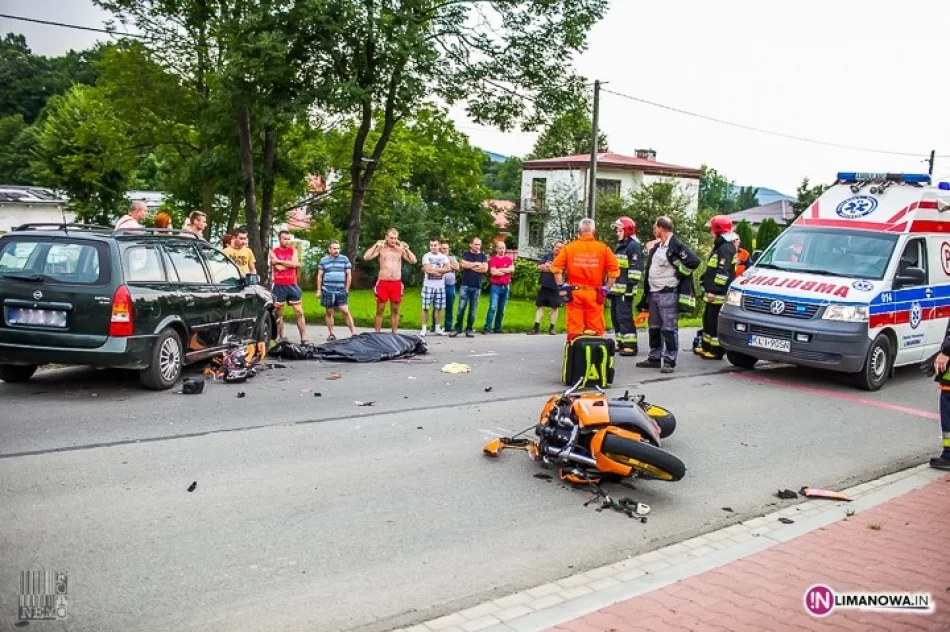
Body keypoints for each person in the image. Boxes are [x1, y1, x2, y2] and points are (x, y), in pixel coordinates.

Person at [636, 216, 700, 373]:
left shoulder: (676, 245)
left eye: (655, 227)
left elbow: (694, 262)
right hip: (653, 293)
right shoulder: (659, 246)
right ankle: (654, 357)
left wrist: (679, 273)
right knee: (654, 327)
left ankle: (669, 360)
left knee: (669, 328)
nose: (654, 230)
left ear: (661, 228)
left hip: (667, 293)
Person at [549, 218, 620, 342]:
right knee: (595, 328)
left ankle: (575, 355)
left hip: (574, 293)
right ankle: (595, 355)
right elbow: (614, 271)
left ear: (579, 231)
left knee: (574, 329)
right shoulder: (603, 249)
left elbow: (556, 268)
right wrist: (606, 288)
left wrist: (561, 286)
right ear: (594, 231)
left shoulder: (569, 248)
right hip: (595, 293)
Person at [697, 215, 738, 360]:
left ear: (718, 230)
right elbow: (713, 268)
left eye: (711, 230)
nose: (710, 233)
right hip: (712, 292)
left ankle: (716, 351)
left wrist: (713, 291)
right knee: (707, 320)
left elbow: (723, 273)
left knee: (714, 322)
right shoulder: (721, 246)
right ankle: (707, 347)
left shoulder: (725, 248)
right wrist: (704, 279)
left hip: (718, 294)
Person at [362, 228, 417, 333]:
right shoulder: (381, 249)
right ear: (386, 237)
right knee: (380, 309)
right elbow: (366, 257)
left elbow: (413, 260)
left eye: (395, 238)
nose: (393, 240)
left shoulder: (400, 250)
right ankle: (376, 334)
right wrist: (375, 245)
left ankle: (394, 334)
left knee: (395, 310)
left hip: (396, 283)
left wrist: (406, 249)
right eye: (391, 238)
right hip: (383, 282)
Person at [607, 216, 643, 356]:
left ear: (627, 230)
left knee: (625, 317)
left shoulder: (633, 246)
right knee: (616, 317)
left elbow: (635, 269)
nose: (617, 233)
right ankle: (621, 342)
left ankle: (630, 345)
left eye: (619, 230)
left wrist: (630, 287)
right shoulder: (621, 246)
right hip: (617, 290)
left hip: (625, 291)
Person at [269, 230, 307, 344]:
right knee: (279, 313)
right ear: (279, 239)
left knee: (299, 311)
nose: (287, 241)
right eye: (284, 238)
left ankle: (304, 338)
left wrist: (280, 261)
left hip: (292, 285)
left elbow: (295, 264)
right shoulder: (273, 251)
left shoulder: (293, 250)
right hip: (279, 285)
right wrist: (291, 264)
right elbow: (279, 268)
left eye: (288, 239)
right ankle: (280, 337)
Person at [449, 236, 489, 338]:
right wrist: (476, 264)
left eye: (479, 244)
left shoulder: (483, 256)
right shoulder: (466, 254)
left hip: (477, 286)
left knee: (473, 310)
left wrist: (471, 266)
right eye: (476, 244)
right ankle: (458, 328)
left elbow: (485, 269)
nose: (478, 246)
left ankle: (469, 329)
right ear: (471, 244)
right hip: (465, 285)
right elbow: (463, 265)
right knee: (461, 308)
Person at [317, 240, 357, 340]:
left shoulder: (344, 259)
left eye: (338, 248)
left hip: (340, 290)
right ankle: (331, 334)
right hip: (327, 289)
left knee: (345, 311)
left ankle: (354, 333)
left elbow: (349, 275)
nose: (337, 250)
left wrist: (347, 289)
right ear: (329, 249)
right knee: (329, 311)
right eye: (334, 248)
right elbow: (319, 276)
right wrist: (318, 290)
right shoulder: (324, 260)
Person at [528, 240, 565, 335]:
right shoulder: (547, 256)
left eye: (561, 248)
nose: (558, 249)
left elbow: (560, 270)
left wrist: (549, 266)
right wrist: (552, 268)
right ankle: (535, 328)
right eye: (557, 247)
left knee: (555, 308)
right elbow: (540, 267)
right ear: (553, 247)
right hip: (544, 285)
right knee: (539, 306)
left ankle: (552, 328)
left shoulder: (564, 259)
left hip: (556, 287)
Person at [420, 237, 451, 336]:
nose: (433, 247)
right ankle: (424, 328)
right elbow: (428, 270)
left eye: (435, 245)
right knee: (425, 307)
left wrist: (434, 270)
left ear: (439, 246)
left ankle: (438, 328)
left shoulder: (444, 257)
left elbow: (448, 268)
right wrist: (440, 271)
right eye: (431, 245)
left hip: (440, 287)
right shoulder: (426, 256)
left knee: (439, 308)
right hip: (428, 286)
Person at [483, 240, 514, 334]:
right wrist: (505, 270)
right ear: (496, 249)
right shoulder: (493, 259)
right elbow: (493, 272)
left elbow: (512, 269)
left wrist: (500, 269)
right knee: (492, 307)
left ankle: (497, 327)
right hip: (495, 287)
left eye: (503, 248)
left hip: (506, 287)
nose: (502, 250)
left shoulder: (509, 259)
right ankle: (487, 327)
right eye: (500, 248)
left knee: (501, 309)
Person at [432, 241, 459, 332]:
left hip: (450, 285)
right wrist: (448, 268)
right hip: (438, 285)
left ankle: (448, 327)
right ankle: (435, 326)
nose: (445, 250)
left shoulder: (452, 258)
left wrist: (446, 265)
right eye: (443, 248)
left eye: (447, 248)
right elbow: (434, 269)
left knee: (449, 306)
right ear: (440, 249)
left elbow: (457, 267)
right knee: (437, 306)